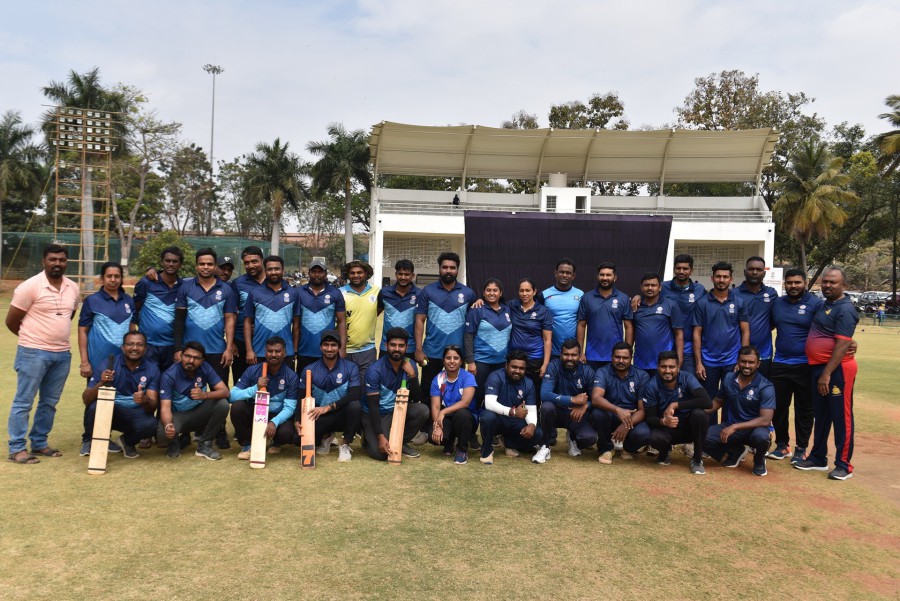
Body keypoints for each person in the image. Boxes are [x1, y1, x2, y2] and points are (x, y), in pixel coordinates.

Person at [6, 244, 79, 464]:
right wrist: (33, 339)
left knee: (49, 402)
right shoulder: (29, 287)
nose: (57, 263)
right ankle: (17, 448)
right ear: (43, 261)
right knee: (24, 402)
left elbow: (69, 316)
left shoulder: (73, 287)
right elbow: (11, 321)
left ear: (66, 262)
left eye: (62, 260)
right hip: (33, 352)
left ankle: (39, 442)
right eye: (52, 259)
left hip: (62, 355)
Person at [794, 267, 860, 481]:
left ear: (844, 285)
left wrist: (827, 373)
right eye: (825, 282)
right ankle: (818, 457)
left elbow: (842, 344)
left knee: (841, 416)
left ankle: (844, 465)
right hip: (818, 367)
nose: (827, 285)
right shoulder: (825, 305)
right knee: (821, 415)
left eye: (833, 282)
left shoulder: (845, 309)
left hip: (837, 370)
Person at [174, 248, 237, 449]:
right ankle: (185, 431)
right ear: (196, 265)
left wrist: (229, 347)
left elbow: (230, 319)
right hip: (191, 353)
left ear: (215, 266)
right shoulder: (185, 287)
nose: (206, 267)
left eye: (210, 264)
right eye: (202, 264)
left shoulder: (226, 289)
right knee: (185, 392)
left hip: (217, 350)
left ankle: (219, 431)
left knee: (220, 392)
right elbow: (179, 320)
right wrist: (178, 349)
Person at [768, 268, 823, 462]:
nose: (793, 286)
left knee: (804, 408)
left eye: (797, 282)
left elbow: (827, 330)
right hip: (780, 363)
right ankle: (782, 445)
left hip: (806, 365)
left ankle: (801, 447)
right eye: (790, 282)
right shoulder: (777, 303)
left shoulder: (815, 304)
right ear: (785, 284)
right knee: (778, 407)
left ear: (805, 283)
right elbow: (769, 326)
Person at [81, 331, 159, 459]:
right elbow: (86, 399)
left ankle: (127, 442)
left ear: (145, 349)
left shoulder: (152, 369)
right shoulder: (108, 365)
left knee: (151, 425)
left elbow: (152, 407)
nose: (135, 348)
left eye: (139, 345)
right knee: (94, 406)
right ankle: (89, 440)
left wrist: (144, 399)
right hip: (112, 412)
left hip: (133, 413)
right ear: (123, 347)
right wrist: (101, 383)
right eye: (130, 344)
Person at [691, 261, 750, 424]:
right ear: (712, 278)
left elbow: (745, 331)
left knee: (730, 399)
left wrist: (741, 359)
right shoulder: (702, 303)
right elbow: (697, 333)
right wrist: (699, 363)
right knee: (709, 401)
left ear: (731, 279)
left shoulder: (739, 302)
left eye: (725, 277)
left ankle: (726, 433)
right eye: (718, 276)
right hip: (708, 362)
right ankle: (709, 435)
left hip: (732, 361)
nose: (721, 280)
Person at [703, 346, 774, 477]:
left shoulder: (766, 386)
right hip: (732, 426)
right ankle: (735, 451)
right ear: (738, 362)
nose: (746, 365)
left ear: (758, 364)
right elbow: (718, 401)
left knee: (761, 437)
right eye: (743, 361)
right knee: (702, 436)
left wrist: (735, 427)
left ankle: (759, 460)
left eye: (751, 362)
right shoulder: (729, 378)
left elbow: (765, 420)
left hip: (755, 429)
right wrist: (698, 412)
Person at [414, 252, 477, 396]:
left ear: (457, 270)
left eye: (452, 268)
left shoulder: (468, 293)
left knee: (456, 394)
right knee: (428, 392)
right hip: (432, 351)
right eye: (445, 267)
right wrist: (419, 349)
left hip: (458, 353)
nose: (448, 270)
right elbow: (419, 320)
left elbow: (475, 322)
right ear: (439, 269)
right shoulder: (427, 291)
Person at [362, 327, 429, 461]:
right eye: (393, 345)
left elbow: (416, 398)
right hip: (377, 413)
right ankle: (367, 437)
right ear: (386, 345)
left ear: (406, 347)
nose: (397, 349)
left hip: (397, 409)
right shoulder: (375, 370)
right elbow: (373, 407)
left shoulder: (411, 365)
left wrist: (413, 376)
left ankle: (400, 442)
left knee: (422, 411)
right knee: (381, 454)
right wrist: (380, 437)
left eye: (401, 346)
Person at [295, 330, 362, 462]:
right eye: (326, 345)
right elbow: (301, 397)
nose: (329, 349)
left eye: (333, 345)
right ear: (321, 347)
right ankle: (326, 437)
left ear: (339, 347)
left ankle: (345, 444)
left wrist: (329, 407)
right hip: (320, 416)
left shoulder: (350, 367)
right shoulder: (310, 369)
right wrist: (297, 420)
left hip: (341, 414)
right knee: (297, 439)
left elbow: (355, 394)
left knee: (355, 406)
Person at [158, 341, 231, 460]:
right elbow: (165, 407)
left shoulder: (205, 367)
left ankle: (204, 445)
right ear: (181, 356)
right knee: (163, 433)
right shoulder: (169, 375)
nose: (191, 361)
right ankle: (173, 443)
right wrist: (168, 425)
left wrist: (205, 395)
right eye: (187, 356)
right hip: (179, 416)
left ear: (202, 360)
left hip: (199, 413)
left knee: (222, 404)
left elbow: (225, 391)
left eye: (196, 358)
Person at [229, 336, 299, 459]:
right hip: (256, 413)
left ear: (284, 353)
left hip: (276, 415)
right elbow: (232, 396)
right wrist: (255, 388)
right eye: (270, 351)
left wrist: (274, 422)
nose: (273, 354)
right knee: (237, 407)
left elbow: (290, 408)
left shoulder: (291, 376)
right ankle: (247, 445)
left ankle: (275, 442)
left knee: (287, 433)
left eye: (277, 351)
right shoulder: (252, 370)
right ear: (265, 352)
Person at [643, 350, 711, 474]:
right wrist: (664, 421)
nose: (667, 371)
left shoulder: (687, 377)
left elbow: (707, 402)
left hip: (689, 426)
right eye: (663, 366)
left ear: (678, 367)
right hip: (668, 428)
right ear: (658, 367)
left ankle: (697, 460)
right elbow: (650, 418)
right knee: (655, 438)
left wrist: (676, 405)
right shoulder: (651, 386)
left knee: (700, 415)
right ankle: (665, 451)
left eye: (671, 367)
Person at [533, 339, 596, 463]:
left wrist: (585, 406)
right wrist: (572, 399)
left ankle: (573, 438)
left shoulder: (587, 371)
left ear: (580, 356)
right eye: (566, 354)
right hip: (556, 412)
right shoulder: (553, 366)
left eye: (574, 355)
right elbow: (544, 394)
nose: (569, 358)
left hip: (575, 414)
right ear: (561, 355)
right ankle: (545, 446)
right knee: (546, 407)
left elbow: (596, 398)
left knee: (589, 438)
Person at [590, 342, 651, 464]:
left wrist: (626, 425)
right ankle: (606, 449)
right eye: (617, 357)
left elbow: (642, 410)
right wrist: (618, 410)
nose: (621, 361)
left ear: (631, 358)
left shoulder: (642, 376)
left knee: (645, 433)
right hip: (610, 415)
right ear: (611, 357)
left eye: (625, 358)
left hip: (632, 418)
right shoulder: (602, 372)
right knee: (597, 414)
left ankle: (627, 449)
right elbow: (596, 398)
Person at [478, 351, 543, 465]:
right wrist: (512, 412)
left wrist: (532, 425)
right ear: (506, 365)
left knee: (537, 433)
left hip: (514, 422)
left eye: (521, 368)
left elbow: (531, 409)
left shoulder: (528, 383)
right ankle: (487, 450)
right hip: (497, 420)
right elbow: (489, 403)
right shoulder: (495, 376)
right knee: (487, 416)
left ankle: (509, 443)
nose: (517, 371)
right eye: (514, 367)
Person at [131, 245, 183, 373]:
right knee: (148, 382)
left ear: (180, 264)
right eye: (167, 260)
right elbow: (134, 310)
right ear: (161, 262)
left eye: (175, 261)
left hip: (172, 347)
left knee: (168, 383)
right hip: (149, 346)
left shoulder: (183, 286)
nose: (171, 264)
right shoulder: (146, 283)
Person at [77, 262, 133, 377]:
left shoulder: (128, 300)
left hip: (125, 361)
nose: (113, 280)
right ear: (102, 279)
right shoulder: (92, 301)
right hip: (97, 362)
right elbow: (82, 331)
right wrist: (84, 362)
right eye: (109, 276)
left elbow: (132, 329)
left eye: (117, 276)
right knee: (98, 389)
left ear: (121, 278)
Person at [243, 255, 300, 367]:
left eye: (277, 269)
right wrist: (249, 350)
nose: (273, 272)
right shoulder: (255, 292)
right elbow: (247, 322)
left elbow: (296, 325)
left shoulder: (293, 293)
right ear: (265, 271)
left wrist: (294, 350)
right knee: (260, 379)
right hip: (259, 351)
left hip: (286, 353)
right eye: (270, 269)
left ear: (283, 270)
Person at [464, 278, 511, 412]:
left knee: (498, 397)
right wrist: (470, 361)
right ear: (483, 293)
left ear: (501, 293)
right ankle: (473, 423)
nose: (492, 293)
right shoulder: (477, 309)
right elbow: (468, 336)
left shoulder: (508, 309)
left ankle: (491, 423)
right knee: (477, 396)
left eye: (495, 290)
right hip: (481, 362)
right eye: (488, 290)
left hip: (501, 363)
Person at [576, 261, 634, 369]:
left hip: (616, 356)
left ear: (615, 277)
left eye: (608, 275)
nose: (605, 278)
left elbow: (628, 327)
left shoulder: (623, 298)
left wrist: (628, 352)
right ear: (597, 276)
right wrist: (580, 352)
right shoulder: (587, 298)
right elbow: (581, 325)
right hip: (591, 355)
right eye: (602, 274)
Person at [295, 257, 346, 372]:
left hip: (328, 351)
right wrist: (295, 349)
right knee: (305, 382)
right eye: (314, 271)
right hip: (304, 351)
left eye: (320, 272)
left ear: (326, 274)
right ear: (309, 273)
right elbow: (296, 325)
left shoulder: (335, 293)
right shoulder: (299, 292)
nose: (317, 274)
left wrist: (342, 348)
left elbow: (341, 322)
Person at [430, 345, 478, 465]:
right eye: (448, 358)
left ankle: (462, 449)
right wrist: (437, 426)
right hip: (449, 416)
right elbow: (435, 406)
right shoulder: (438, 379)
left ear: (461, 361)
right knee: (433, 438)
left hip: (467, 417)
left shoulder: (468, 377)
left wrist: (443, 412)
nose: (452, 361)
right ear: (443, 360)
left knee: (461, 414)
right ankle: (449, 442)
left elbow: (465, 402)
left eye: (456, 358)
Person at [659, 254, 706, 375]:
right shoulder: (662, 287)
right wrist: (637, 297)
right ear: (674, 269)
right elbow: (648, 298)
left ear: (691, 270)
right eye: (678, 268)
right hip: (665, 345)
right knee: (665, 379)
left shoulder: (700, 290)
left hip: (688, 347)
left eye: (685, 268)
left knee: (686, 380)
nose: (681, 271)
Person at [508, 278, 553, 400]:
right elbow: (495, 304)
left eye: (528, 290)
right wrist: (481, 300)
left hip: (535, 359)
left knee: (533, 393)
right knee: (513, 392)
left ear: (534, 291)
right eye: (521, 290)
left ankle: (534, 412)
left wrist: (545, 364)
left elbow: (547, 340)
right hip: (515, 358)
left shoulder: (543, 311)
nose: (524, 294)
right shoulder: (512, 305)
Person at [632, 272, 683, 378]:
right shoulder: (635, 306)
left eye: (653, 285)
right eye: (646, 285)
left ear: (660, 287)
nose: (650, 288)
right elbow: (631, 331)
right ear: (641, 287)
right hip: (640, 362)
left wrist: (679, 359)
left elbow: (679, 334)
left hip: (664, 363)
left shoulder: (671, 305)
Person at [735, 256, 779, 378]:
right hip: (739, 354)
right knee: (740, 387)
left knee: (763, 387)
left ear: (764, 273)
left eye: (759, 270)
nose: (755, 272)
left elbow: (774, 319)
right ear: (745, 272)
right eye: (751, 269)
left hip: (764, 354)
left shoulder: (771, 293)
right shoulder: (734, 294)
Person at [230, 246, 266, 381]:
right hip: (241, 341)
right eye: (246, 263)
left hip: (266, 341)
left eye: (254, 261)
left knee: (265, 382)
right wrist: (231, 342)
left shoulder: (273, 281)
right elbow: (232, 314)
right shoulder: (238, 283)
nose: (251, 265)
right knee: (242, 382)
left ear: (262, 260)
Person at [340, 260, 380, 384]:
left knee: (365, 386)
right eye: (352, 273)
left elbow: (378, 310)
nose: (356, 275)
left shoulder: (376, 291)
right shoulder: (340, 293)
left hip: (367, 350)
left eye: (359, 272)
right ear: (348, 275)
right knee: (345, 386)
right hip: (344, 350)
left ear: (366, 274)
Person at [536, 259, 583, 357]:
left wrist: (581, 351)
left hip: (572, 352)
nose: (564, 275)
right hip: (550, 351)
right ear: (555, 273)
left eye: (568, 273)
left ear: (573, 276)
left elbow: (582, 324)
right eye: (562, 272)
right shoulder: (544, 295)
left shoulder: (580, 295)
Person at [377, 259, 420, 359]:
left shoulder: (420, 294)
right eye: (400, 274)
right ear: (396, 274)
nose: (403, 277)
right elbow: (374, 315)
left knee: (409, 369)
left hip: (409, 347)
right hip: (387, 346)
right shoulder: (384, 292)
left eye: (407, 274)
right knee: (384, 369)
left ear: (413, 275)